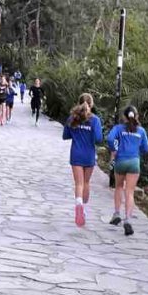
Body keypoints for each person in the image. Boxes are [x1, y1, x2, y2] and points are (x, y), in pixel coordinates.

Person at [107, 105, 148, 236]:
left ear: (124, 117)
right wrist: (137, 150)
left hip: (120, 161)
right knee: (130, 192)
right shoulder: (141, 131)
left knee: (119, 187)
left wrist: (114, 149)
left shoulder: (118, 128)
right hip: (134, 162)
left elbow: (110, 139)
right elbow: (146, 149)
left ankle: (116, 214)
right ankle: (128, 220)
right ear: (136, 116)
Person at [62, 94, 103, 227]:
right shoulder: (95, 120)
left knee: (78, 183)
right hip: (89, 155)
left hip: (76, 154)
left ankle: (78, 205)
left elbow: (65, 135)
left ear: (78, 103)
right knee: (86, 182)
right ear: (91, 104)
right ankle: (83, 208)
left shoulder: (72, 118)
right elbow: (98, 138)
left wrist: (76, 131)